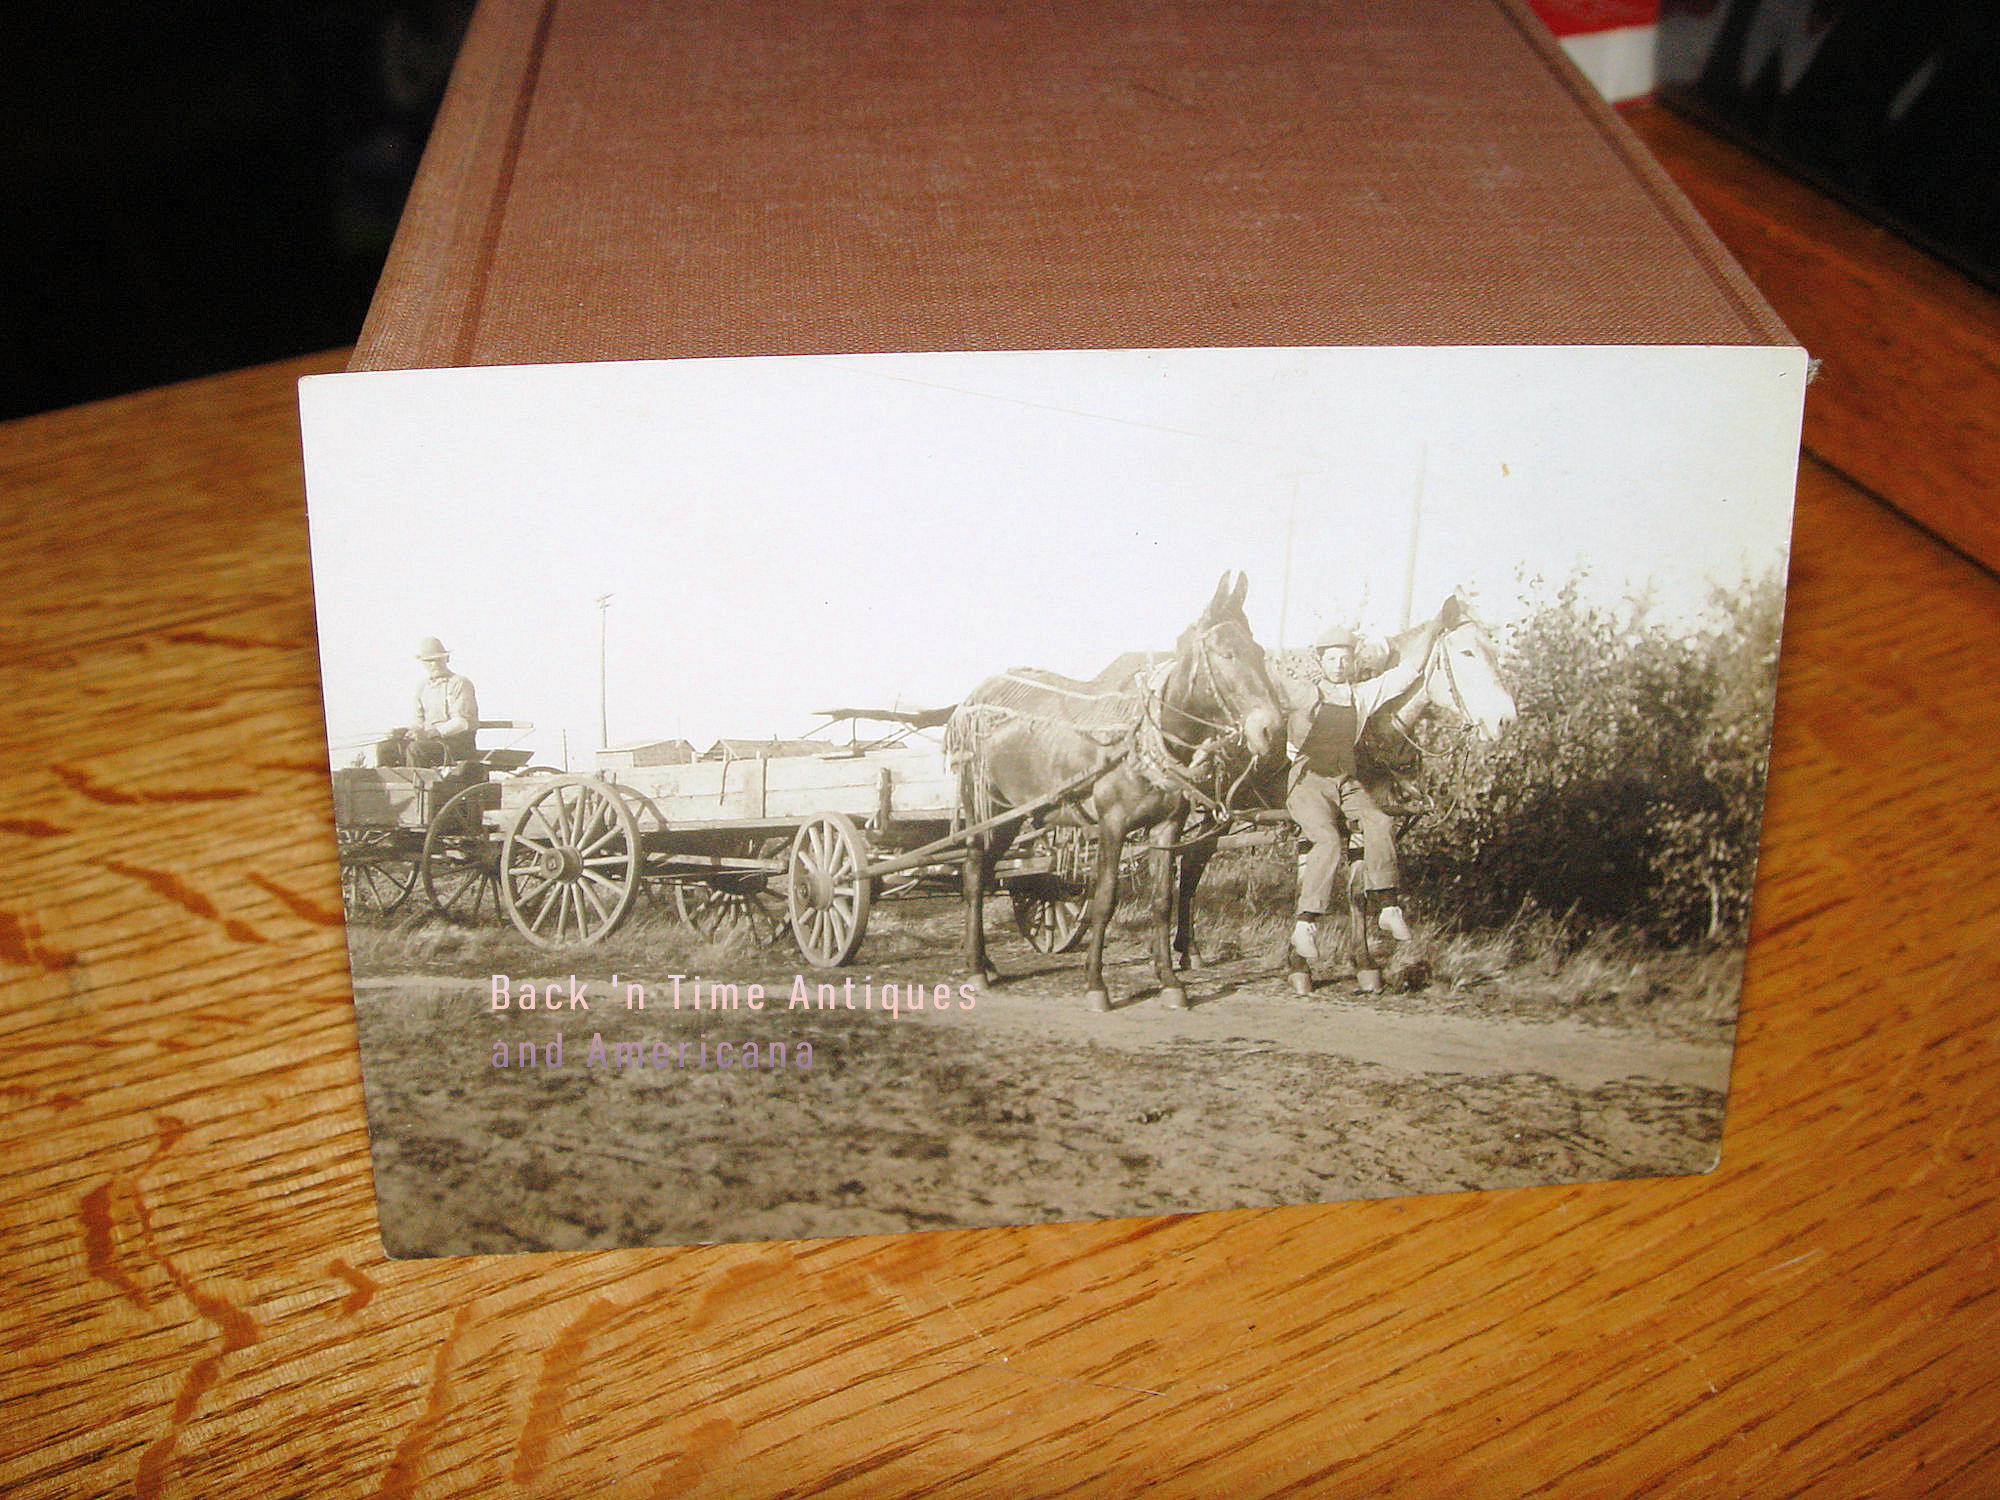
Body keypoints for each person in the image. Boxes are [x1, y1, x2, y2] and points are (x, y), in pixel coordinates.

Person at [1285, 619, 1437, 963]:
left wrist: (1436, 627)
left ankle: (1388, 906)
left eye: (1344, 659)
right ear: (1320, 662)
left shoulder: (1361, 695)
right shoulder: (1302, 692)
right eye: (1332, 659)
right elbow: (1262, 688)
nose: (1339, 666)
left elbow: (1407, 672)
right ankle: (1305, 925)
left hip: (1345, 780)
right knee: (1327, 841)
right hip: (1307, 780)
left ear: (1353, 662)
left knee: (1380, 822)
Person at [401, 637, 480, 767]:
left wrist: (431, 733)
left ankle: (417, 785)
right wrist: (403, 732)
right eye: (429, 661)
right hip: (430, 741)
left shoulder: (460, 683)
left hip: (456, 744)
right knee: (388, 747)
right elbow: (419, 723)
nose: (434, 664)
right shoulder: (422, 687)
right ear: (422, 663)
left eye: (438, 659)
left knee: (416, 749)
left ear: (447, 659)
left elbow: (461, 722)